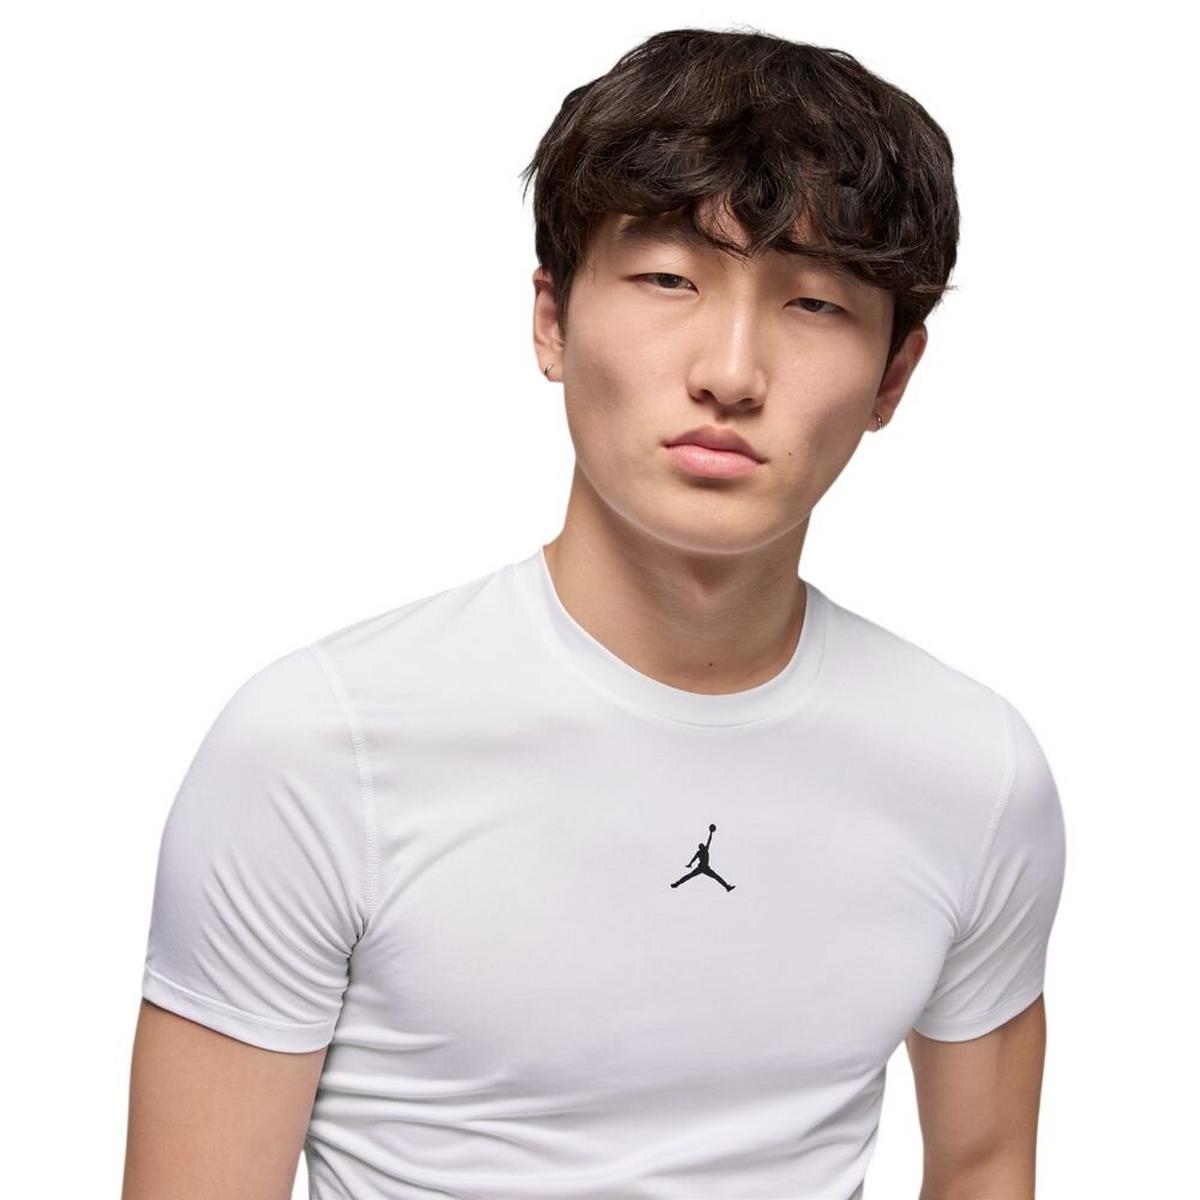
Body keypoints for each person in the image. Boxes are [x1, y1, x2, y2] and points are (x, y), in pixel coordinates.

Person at [122, 26, 1067, 1200]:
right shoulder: (318, 747)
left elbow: (983, 1166)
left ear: (894, 376)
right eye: (670, 279)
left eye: (816, 302)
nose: (731, 372)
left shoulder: (974, 769)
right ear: (552, 321)